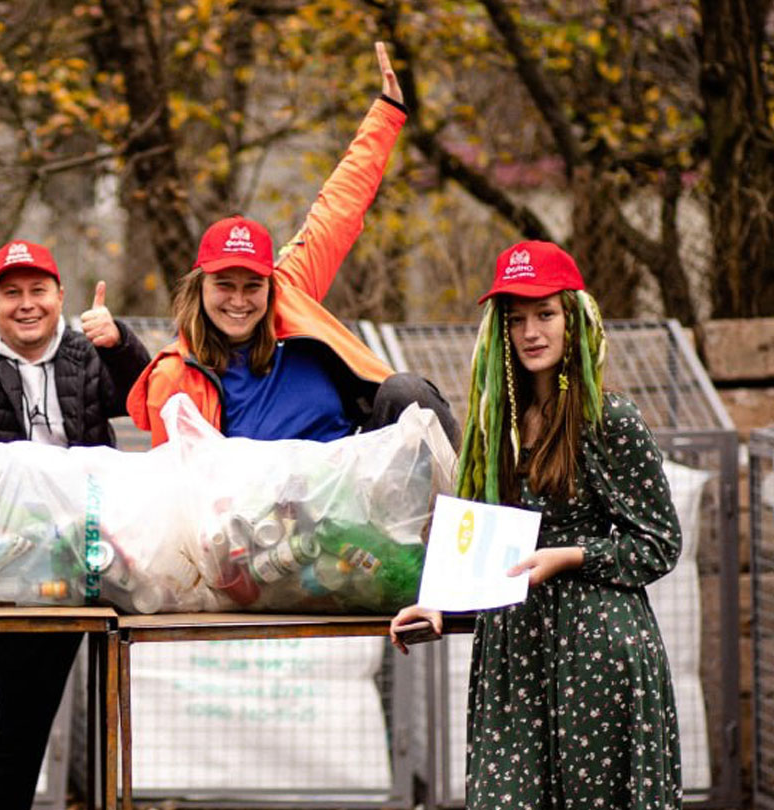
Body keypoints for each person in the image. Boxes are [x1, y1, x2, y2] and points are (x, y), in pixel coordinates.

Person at [390, 241, 682, 808]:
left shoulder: (611, 421)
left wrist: (568, 556)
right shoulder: (492, 426)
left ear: (572, 319)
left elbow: (659, 543)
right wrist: (438, 604)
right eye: (515, 319)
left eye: (544, 314)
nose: (530, 331)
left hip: (597, 648)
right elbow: (478, 540)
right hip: (514, 653)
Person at [0, 239, 151, 810]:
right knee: (19, 734)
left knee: (109, 719)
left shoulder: (84, 353)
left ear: (59, 295)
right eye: (10, 293)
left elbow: (147, 401)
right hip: (9, 560)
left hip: (95, 550)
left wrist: (122, 346)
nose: (26, 304)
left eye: (38, 290)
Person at [125, 42, 459, 450]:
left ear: (270, 285)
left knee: (409, 394)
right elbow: (179, 485)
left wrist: (387, 113)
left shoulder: (291, 293)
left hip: (350, 477)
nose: (239, 300)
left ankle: (458, 509)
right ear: (200, 287)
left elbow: (339, 208)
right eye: (224, 285)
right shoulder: (177, 374)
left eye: (252, 286)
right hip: (257, 504)